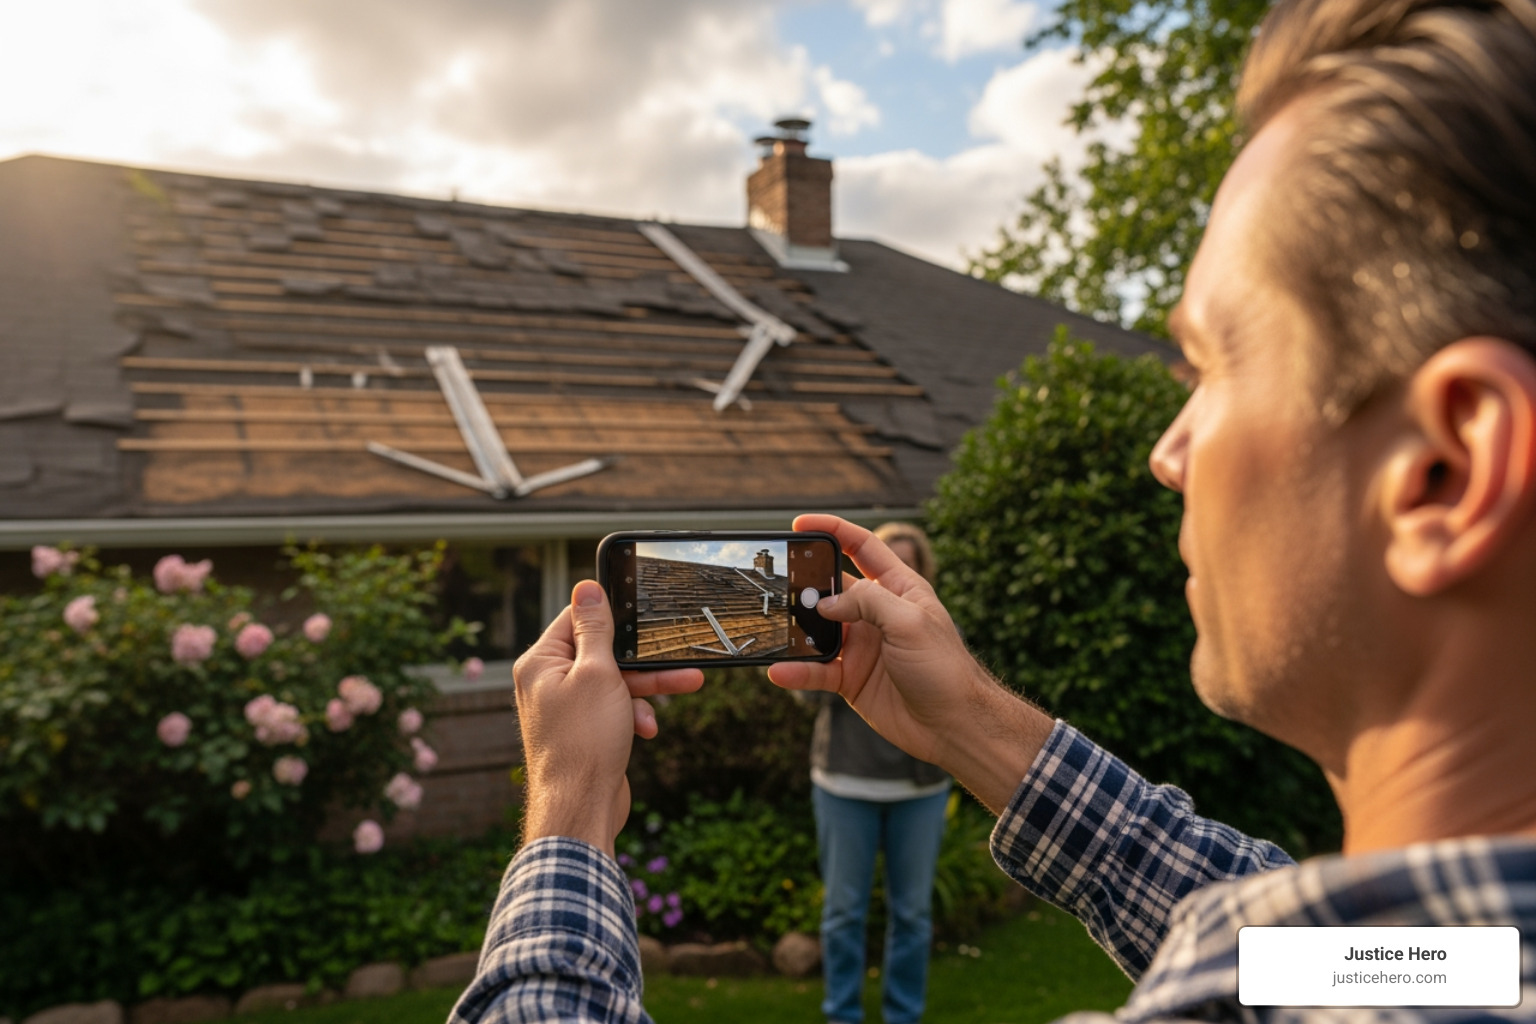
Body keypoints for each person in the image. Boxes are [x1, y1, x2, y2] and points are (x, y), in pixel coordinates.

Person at [450, 0, 1536, 1020]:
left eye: (1212, 369)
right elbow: (1294, 949)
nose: (1167, 455)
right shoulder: (1459, 958)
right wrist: (967, 718)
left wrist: (570, 815)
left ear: (1447, 470)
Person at [799, 522, 950, 1024]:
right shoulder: (838, 624)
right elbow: (806, 695)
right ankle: (842, 1015)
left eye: (905, 565)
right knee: (843, 913)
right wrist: (810, 635)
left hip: (918, 790)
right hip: (845, 783)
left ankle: (903, 1016)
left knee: (913, 915)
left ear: (921, 573)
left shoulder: (938, 629)